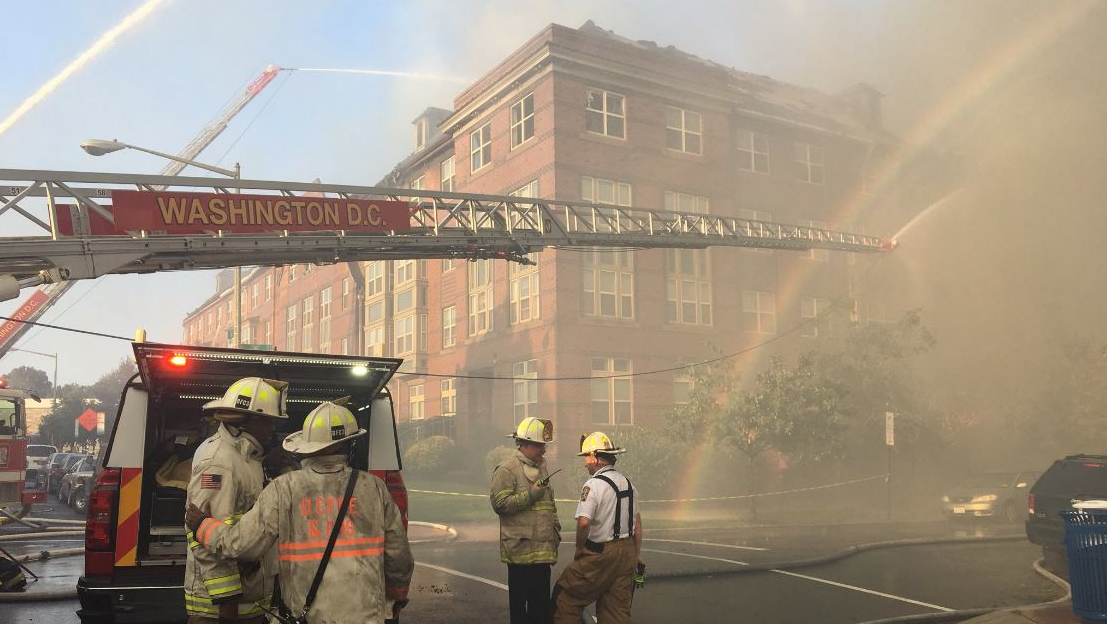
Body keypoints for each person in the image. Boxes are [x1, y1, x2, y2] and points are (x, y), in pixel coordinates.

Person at [186, 397, 413, 624]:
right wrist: (397, 595)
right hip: (365, 616)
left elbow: (241, 545)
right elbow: (399, 554)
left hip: (309, 616)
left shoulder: (284, 488)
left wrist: (203, 526)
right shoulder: (374, 487)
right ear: (350, 445)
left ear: (306, 448)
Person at [185, 377, 287, 623]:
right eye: (269, 421)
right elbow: (203, 536)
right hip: (220, 613)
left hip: (248, 605)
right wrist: (227, 603)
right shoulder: (220, 463)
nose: (273, 428)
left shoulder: (246, 458)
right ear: (248, 419)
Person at [551, 431, 643, 624]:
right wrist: (636, 554)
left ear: (595, 458)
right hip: (627, 553)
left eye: (586, 457)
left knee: (565, 597)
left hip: (602, 553)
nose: (585, 462)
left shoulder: (593, 485)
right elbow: (637, 524)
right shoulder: (629, 484)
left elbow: (584, 522)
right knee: (616, 612)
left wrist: (579, 548)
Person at [490, 417, 561, 624]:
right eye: (541, 445)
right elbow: (500, 505)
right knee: (520, 614)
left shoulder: (542, 468)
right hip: (520, 554)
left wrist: (555, 528)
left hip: (542, 554)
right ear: (526, 444)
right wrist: (530, 495)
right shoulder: (506, 470)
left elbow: (549, 504)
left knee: (541, 612)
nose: (544, 450)